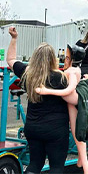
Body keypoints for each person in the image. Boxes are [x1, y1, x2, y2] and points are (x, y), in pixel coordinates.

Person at [6, 27, 69, 174]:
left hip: (33, 127)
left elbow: (10, 60)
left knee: (35, 164)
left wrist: (14, 38)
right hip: (56, 130)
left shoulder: (27, 73)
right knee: (57, 167)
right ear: (53, 59)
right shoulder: (60, 77)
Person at [35, 45, 88, 174]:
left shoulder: (72, 71)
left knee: (77, 130)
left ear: (72, 60)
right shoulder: (75, 69)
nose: (64, 60)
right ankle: (82, 160)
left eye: (67, 58)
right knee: (75, 130)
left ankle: (85, 163)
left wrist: (47, 91)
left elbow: (68, 89)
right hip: (71, 101)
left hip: (73, 98)